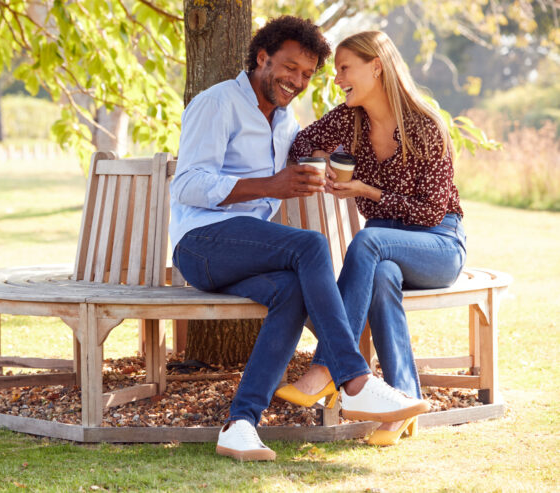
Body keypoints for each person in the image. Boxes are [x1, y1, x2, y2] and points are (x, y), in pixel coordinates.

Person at [170, 17, 429, 462]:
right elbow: (188, 184)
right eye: (289, 68)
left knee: (290, 292)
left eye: (307, 75)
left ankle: (240, 424)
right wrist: (272, 185)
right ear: (262, 57)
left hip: (247, 254)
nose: (297, 81)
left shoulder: (287, 122)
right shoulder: (217, 104)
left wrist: (326, 173)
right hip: (201, 244)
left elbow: (308, 154)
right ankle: (354, 381)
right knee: (309, 245)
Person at [282, 30, 467, 446]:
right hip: (385, 247)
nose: (337, 78)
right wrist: (325, 162)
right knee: (381, 274)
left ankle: (329, 367)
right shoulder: (349, 120)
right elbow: (300, 145)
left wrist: (367, 191)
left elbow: (432, 211)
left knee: (370, 242)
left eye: (345, 68)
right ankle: (403, 403)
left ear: (376, 67)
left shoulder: (425, 127)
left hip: (438, 244)